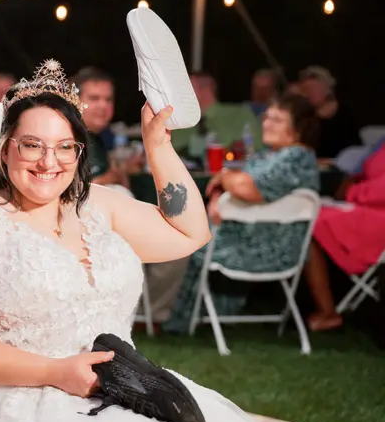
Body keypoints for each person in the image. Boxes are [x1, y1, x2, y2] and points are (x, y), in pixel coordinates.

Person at [0, 60, 271, 422]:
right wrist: (55, 372)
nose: (49, 162)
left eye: (64, 147)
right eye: (32, 145)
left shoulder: (99, 204)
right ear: (4, 151)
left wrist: (158, 146)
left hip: (123, 393)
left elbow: (191, 232)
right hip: (9, 401)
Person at [163, 94, 320, 333]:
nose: (266, 124)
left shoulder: (296, 157)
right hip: (249, 238)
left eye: (277, 120)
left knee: (184, 234)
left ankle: (168, 318)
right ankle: (175, 316)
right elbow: (239, 182)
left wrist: (223, 179)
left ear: (299, 128)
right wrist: (219, 194)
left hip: (263, 247)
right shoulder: (271, 155)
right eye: (267, 118)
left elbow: (248, 188)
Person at [304, 140, 385, 332]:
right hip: (364, 205)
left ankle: (327, 311)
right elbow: (368, 171)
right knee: (307, 212)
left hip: (377, 217)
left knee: (311, 219)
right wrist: (350, 181)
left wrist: (350, 191)